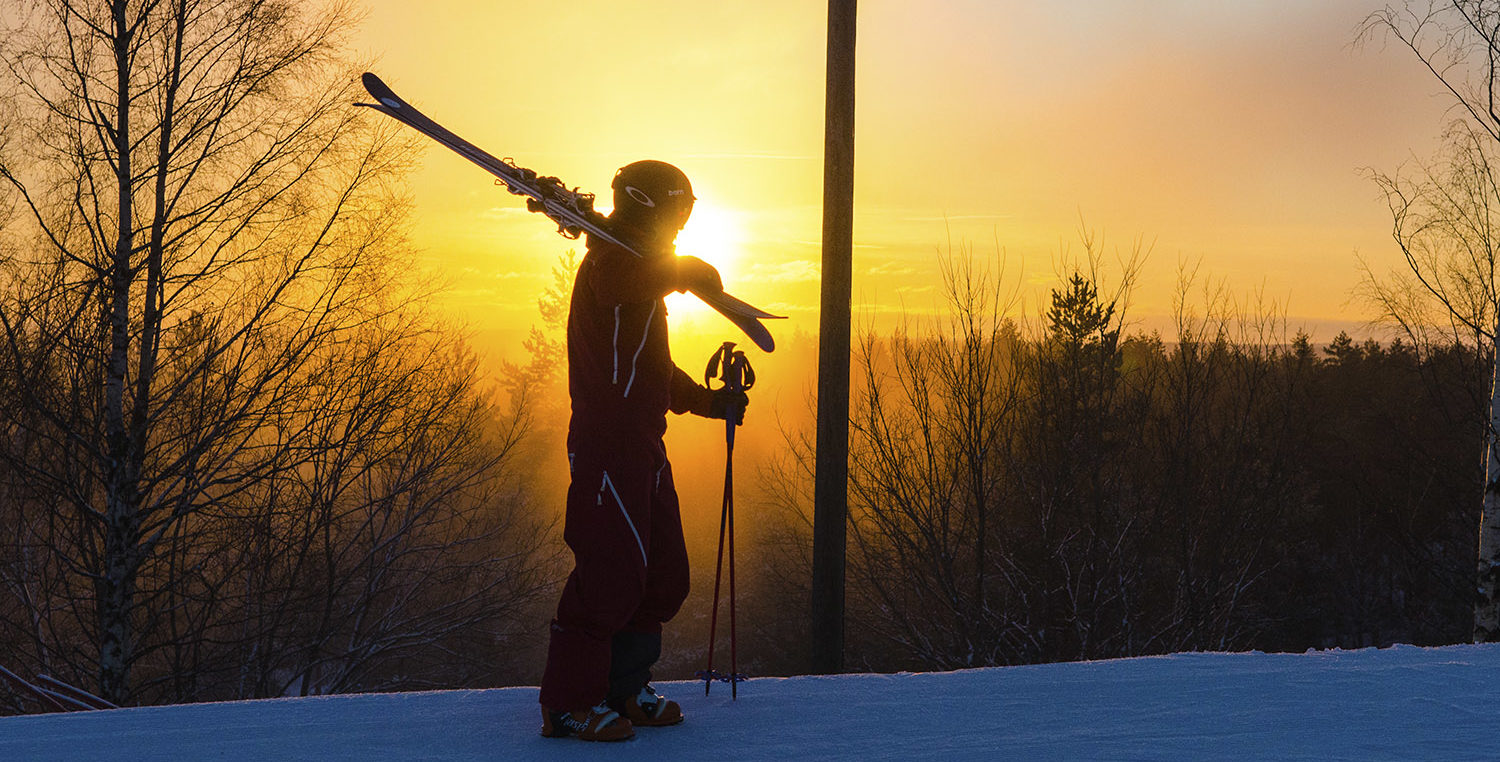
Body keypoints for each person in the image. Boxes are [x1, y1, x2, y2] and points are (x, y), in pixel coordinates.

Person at [538, 160, 747, 742]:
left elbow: (651, 370)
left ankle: (623, 688)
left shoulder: (641, 268)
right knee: (608, 575)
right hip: (606, 447)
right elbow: (620, 282)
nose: (682, 223)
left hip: (643, 445)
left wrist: (710, 404)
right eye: (678, 211)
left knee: (662, 576)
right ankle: (570, 703)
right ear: (648, 205)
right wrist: (677, 271)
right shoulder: (613, 261)